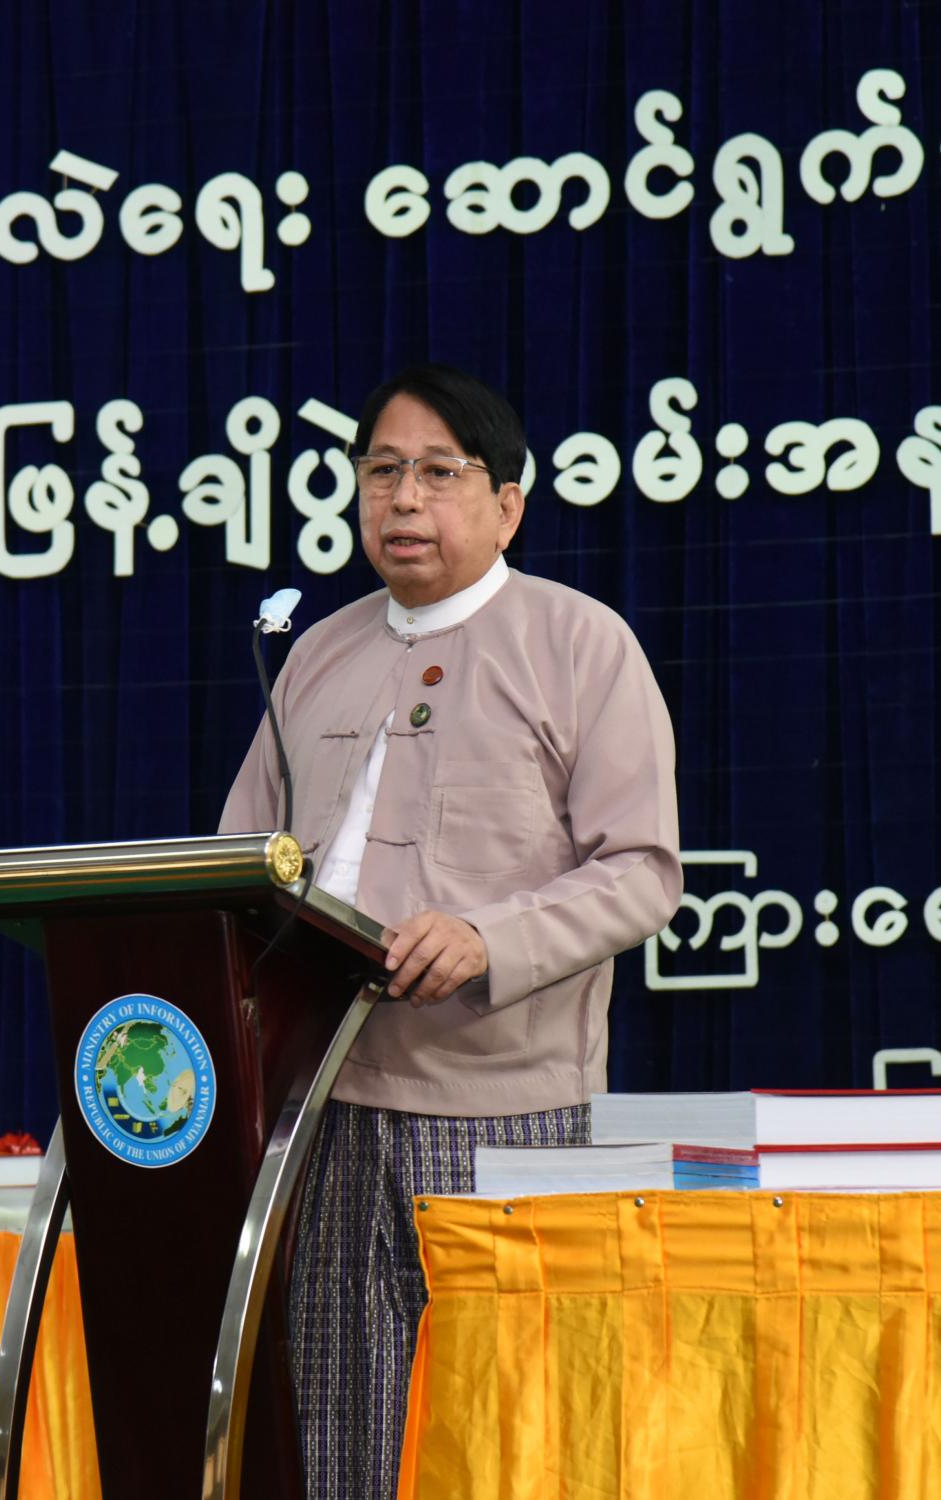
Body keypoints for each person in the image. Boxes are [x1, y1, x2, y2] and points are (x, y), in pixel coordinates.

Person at [219, 364, 681, 1499]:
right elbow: (240, 866)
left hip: (502, 1113)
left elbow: (640, 872)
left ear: (507, 505)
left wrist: (487, 937)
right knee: (340, 1441)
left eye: (437, 472)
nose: (403, 499)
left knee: (506, 1439)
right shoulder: (316, 654)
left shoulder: (579, 644)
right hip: (320, 1108)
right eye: (380, 471)